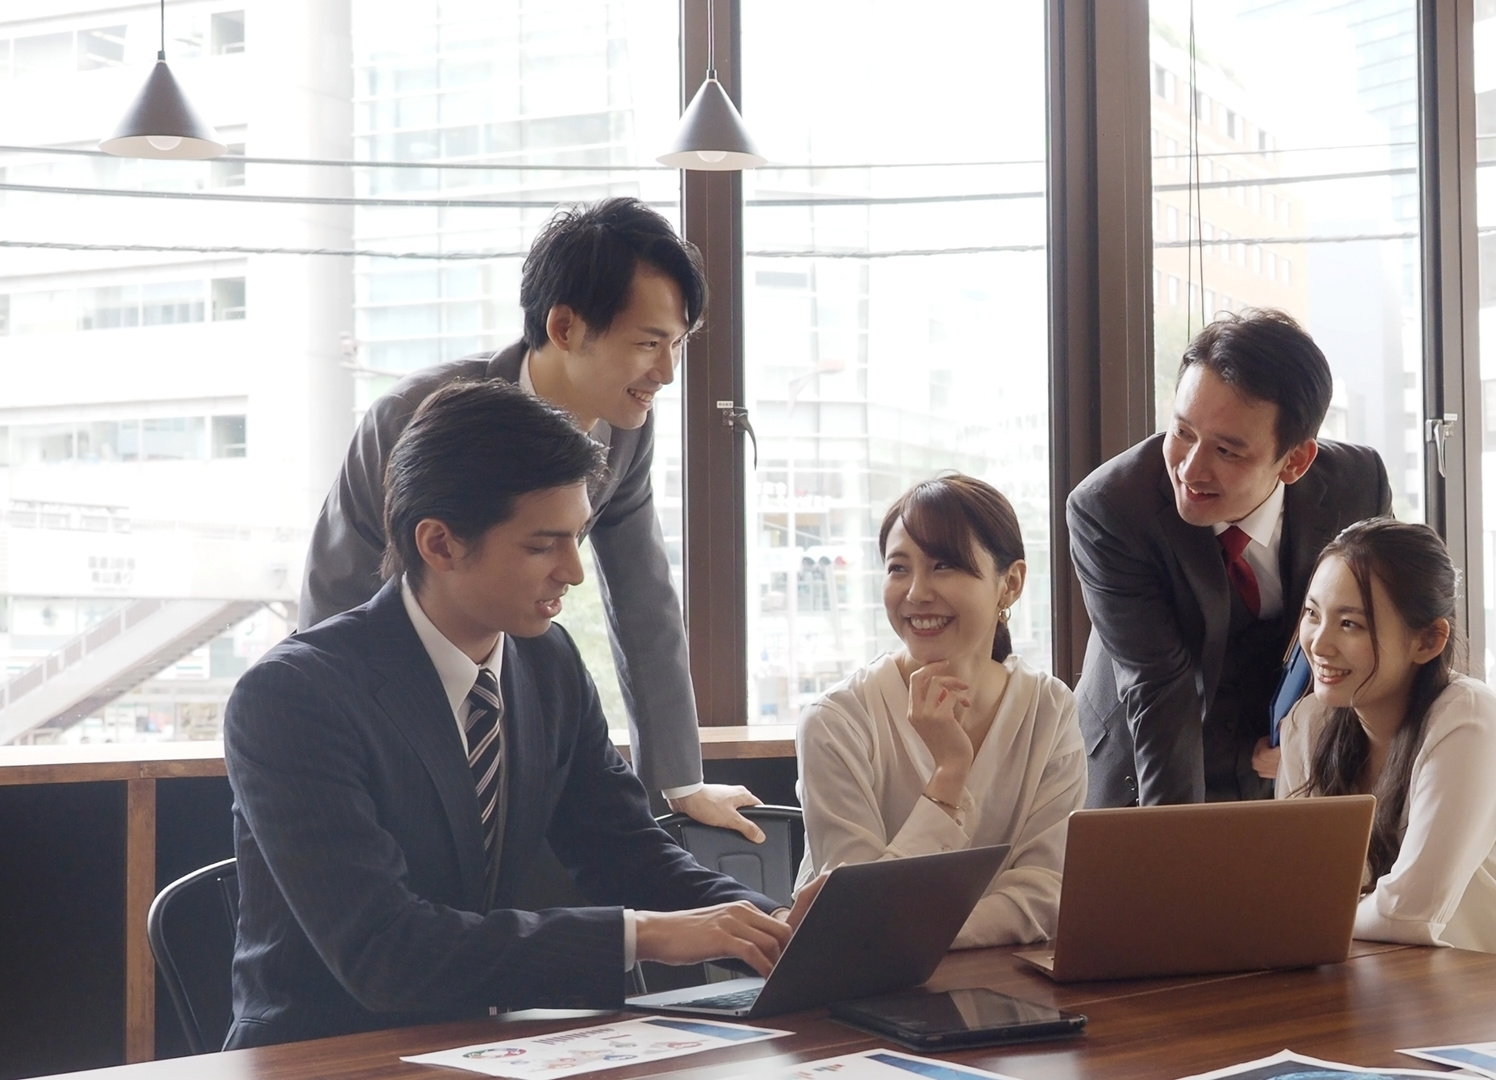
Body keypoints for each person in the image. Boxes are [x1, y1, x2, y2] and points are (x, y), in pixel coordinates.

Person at [224, 382, 823, 1048]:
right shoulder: (293, 698)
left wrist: (777, 928)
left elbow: (626, 851)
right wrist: (647, 935)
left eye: (578, 539)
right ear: (440, 544)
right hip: (322, 1055)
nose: (573, 572)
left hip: (487, 1045)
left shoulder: (547, 664)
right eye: (542, 546)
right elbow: (386, 952)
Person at [301, 197, 764, 840]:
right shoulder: (418, 417)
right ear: (566, 326)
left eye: (679, 346)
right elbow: (339, 592)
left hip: (510, 724)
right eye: (648, 343)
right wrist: (344, 761)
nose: (666, 372)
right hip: (384, 725)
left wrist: (677, 782)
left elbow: (643, 598)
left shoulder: (626, 431)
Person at [1068, 308, 1392, 807]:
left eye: (1227, 451)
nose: (1190, 470)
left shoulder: (1356, 487)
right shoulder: (1112, 508)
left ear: (1295, 461)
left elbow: (1382, 632)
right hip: (1148, 757)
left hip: (1290, 763)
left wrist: (1312, 731)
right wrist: (1176, 848)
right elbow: (1160, 691)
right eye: (1182, 433)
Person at [793, 476, 1087, 948]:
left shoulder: (1047, 708)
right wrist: (949, 776)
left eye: (944, 565)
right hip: (856, 996)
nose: (916, 593)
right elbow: (859, 919)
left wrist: (923, 929)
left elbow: (1048, 890)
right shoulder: (835, 721)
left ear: (1010, 583)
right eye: (898, 568)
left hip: (1003, 985)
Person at [1275, 518, 1496, 963]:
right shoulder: (1309, 723)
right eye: (1313, 614)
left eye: (1351, 624)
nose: (1319, 643)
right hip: (1386, 981)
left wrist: (1317, 918)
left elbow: (1411, 913)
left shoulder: (1469, 719)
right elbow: (1290, 889)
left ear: (1429, 640)